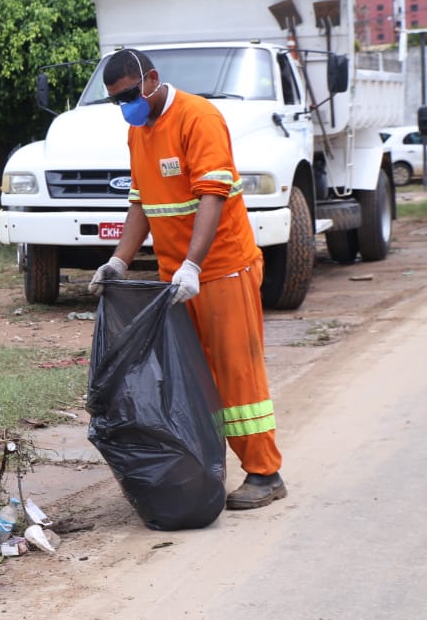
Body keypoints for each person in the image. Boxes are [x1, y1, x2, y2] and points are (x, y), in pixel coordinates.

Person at [88, 48, 286, 510]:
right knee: (189, 378)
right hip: (174, 279)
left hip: (220, 269)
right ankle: (204, 468)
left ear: (152, 79)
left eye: (131, 95)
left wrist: (193, 265)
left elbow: (211, 196)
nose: (126, 106)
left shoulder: (199, 118)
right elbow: (141, 201)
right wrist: (119, 261)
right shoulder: (139, 131)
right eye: (117, 100)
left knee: (236, 375)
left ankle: (265, 473)